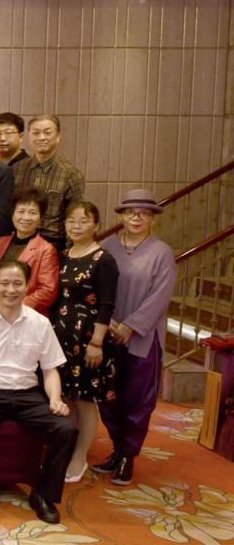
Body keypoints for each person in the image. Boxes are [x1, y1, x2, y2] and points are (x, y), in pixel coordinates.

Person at [0, 260, 77, 524]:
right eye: (4, 284)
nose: (11, 290)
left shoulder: (40, 322)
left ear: (27, 286)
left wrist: (55, 399)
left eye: (17, 284)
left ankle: (43, 495)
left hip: (27, 394)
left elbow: (50, 369)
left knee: (66, 428)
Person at [94, 189, 177, 486]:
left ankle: (128, 455)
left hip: (142, 337)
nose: (136, 218)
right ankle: (117, 448)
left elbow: (160, 298)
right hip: (108, 333)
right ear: (122, 216)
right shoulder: (107, 247)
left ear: (152, 217)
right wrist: (108, 322)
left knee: (137, 399)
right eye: (130, 213)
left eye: (143, 213)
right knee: (108, 395)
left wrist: (129, 326)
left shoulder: (161, 252)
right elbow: (96, 287)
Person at [52, 202, 119, 483]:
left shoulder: (103, 259)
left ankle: (80, 457)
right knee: (66, 397)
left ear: (96, 225)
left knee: (86, 401)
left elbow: (107, 304)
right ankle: (67, 451)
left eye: (83, 221)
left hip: (89, 339)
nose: (76, 226)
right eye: (71, 220)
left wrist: (97, 342)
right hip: (61, 337)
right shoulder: (63, 256)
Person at [11, 115, 84, 249]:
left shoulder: (71, 174)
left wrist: (68, 251)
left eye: (47, 132)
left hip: (53, 243)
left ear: (58, 137)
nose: (41, 137)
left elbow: (75, 217)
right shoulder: (16, 169)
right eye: (36, 133)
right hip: (19, 240)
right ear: (29, 136)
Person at [0, 186, 60, 315]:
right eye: (21, 211)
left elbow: (48, 290)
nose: (26, 217)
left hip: (28, 315)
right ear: (12, 215)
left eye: (32, 213)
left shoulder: (46, 249)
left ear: (40, 218)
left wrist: (14, 306)